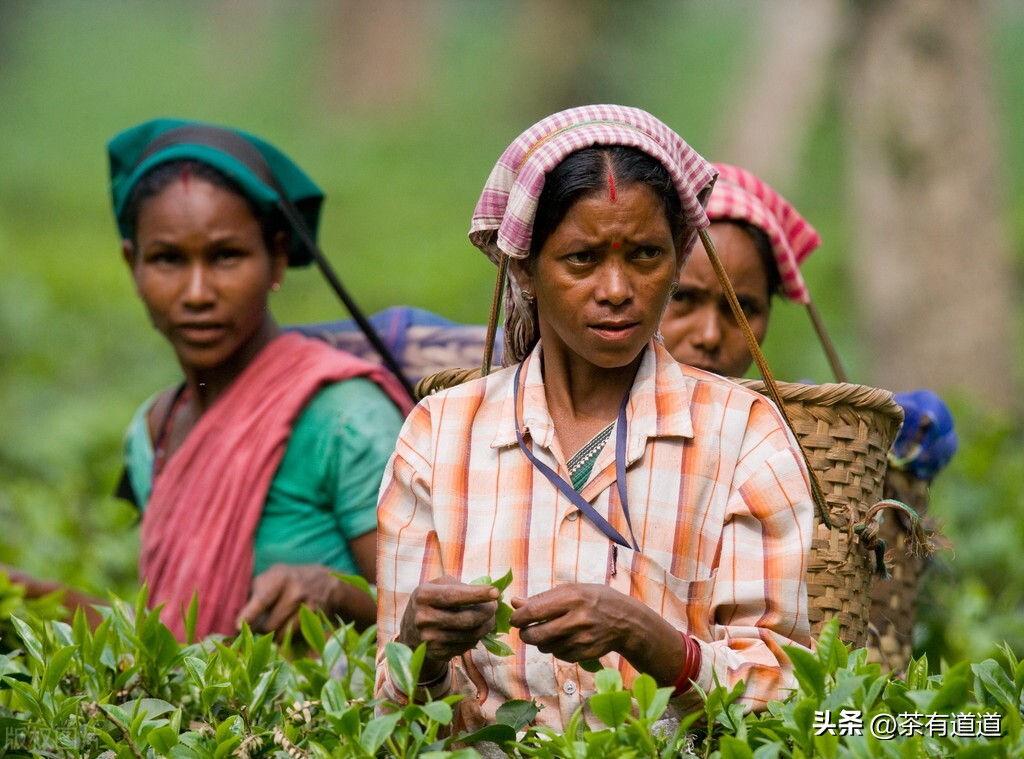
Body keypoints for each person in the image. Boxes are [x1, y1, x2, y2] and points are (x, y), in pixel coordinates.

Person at [375, 106, 815, 731]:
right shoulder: (440, 436)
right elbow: (392, 721)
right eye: (582, 259)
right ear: (524, 267)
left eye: (645, 255)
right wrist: (420, 653)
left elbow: (793, 698)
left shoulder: (744, 434)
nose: (616, 289)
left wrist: (653, 642)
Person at [106, 118, 413, 640]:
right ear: (133, 266)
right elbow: (172, 639)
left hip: (324, 720)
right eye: (168, 260)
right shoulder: (153, 429)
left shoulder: (345, 418)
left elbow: (431, 617)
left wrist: (333, 591)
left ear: (275, 257)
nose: (198, 292)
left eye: (226, 256)